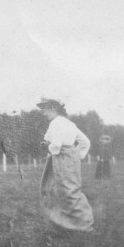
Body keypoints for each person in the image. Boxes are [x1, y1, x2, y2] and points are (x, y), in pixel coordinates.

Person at [38, 98, 94, 232]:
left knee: (61, 189)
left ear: (53, 109)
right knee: (71, 189)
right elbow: (85, 142)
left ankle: (80, 224)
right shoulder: (70, 124)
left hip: (60, 157)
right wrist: (77, 156)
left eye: (44, 109)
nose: (43, 113)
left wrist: (50, 148)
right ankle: (76, 222)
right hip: (71, 157)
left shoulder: (56, 123)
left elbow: (56, 145)